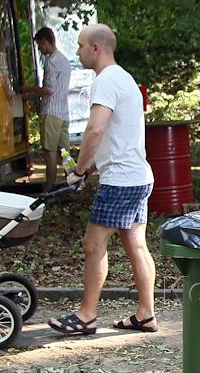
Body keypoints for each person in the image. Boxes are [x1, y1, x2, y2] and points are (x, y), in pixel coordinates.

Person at [47, 24, 156, 336]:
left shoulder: (106, 80)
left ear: (96, 48)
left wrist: (79, 170)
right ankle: (146, 314)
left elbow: (95, 130)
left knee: (93, 244)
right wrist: (92, 167)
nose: (77, 52)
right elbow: (115, 135)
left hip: (121, 181)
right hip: (137, 176)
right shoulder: (124, 78)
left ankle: (86, 315)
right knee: (136, 244)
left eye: (80, 45)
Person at [22, 27, 72, 191]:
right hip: (63, 112)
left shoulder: (51, 62)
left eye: (39, 45)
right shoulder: (64, 60)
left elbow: (48, 90)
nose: (39, 49)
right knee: (64, 152)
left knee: (49, 152)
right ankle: (74, 181)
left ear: (45, 42)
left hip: (50, 113)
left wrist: (29, 88)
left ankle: (49, 188)